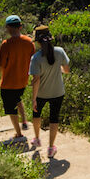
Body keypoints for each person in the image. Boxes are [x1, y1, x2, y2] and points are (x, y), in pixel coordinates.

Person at [0, 15, 35, 143]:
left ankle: (18, 134)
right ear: (20, 26)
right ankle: (25, 120)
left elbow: (0, 65)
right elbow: (34, 62)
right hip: (22, 81)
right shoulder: (29, 42)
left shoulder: (6, 44)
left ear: (7, 28)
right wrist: (34, 77)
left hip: (8, 83)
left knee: (11, 109)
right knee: (17, 99)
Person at [29, 25, 70, 158]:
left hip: (41, 93)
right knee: (54, 119)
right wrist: (59, 71)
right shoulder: (60, 51)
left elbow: (36, 80)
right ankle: (51, 148)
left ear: (38, 41)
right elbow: (67, 70)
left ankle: (37, 138)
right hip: (58, 92)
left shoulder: (36, 58)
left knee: (36, 115)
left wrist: (34, 99)